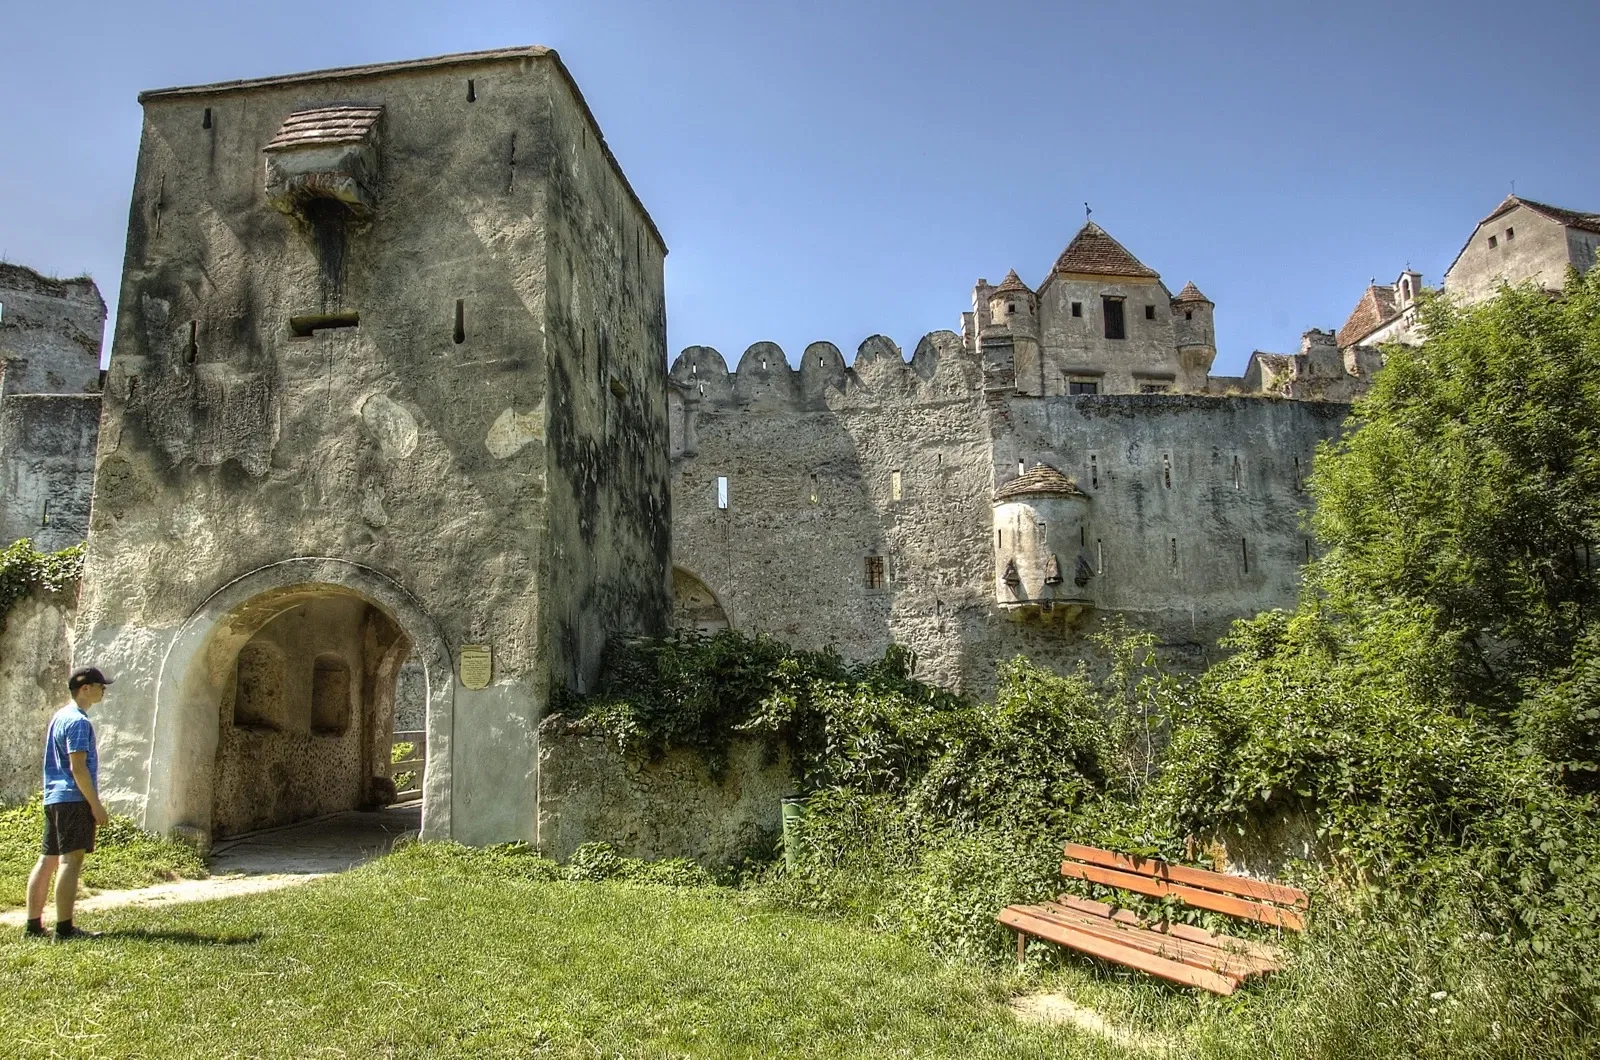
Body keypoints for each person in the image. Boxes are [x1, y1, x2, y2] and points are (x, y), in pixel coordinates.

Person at [24, 666, 113, 941]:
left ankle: (33, 926)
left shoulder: (60, 717)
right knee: (70, 861)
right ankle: (64, 929)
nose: (103, 691)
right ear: (86, 689)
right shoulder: (78, 722)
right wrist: (95, 804)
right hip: (74, 798)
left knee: (47, 860)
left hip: (54, 798)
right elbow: (78, 767)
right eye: (101, 686)